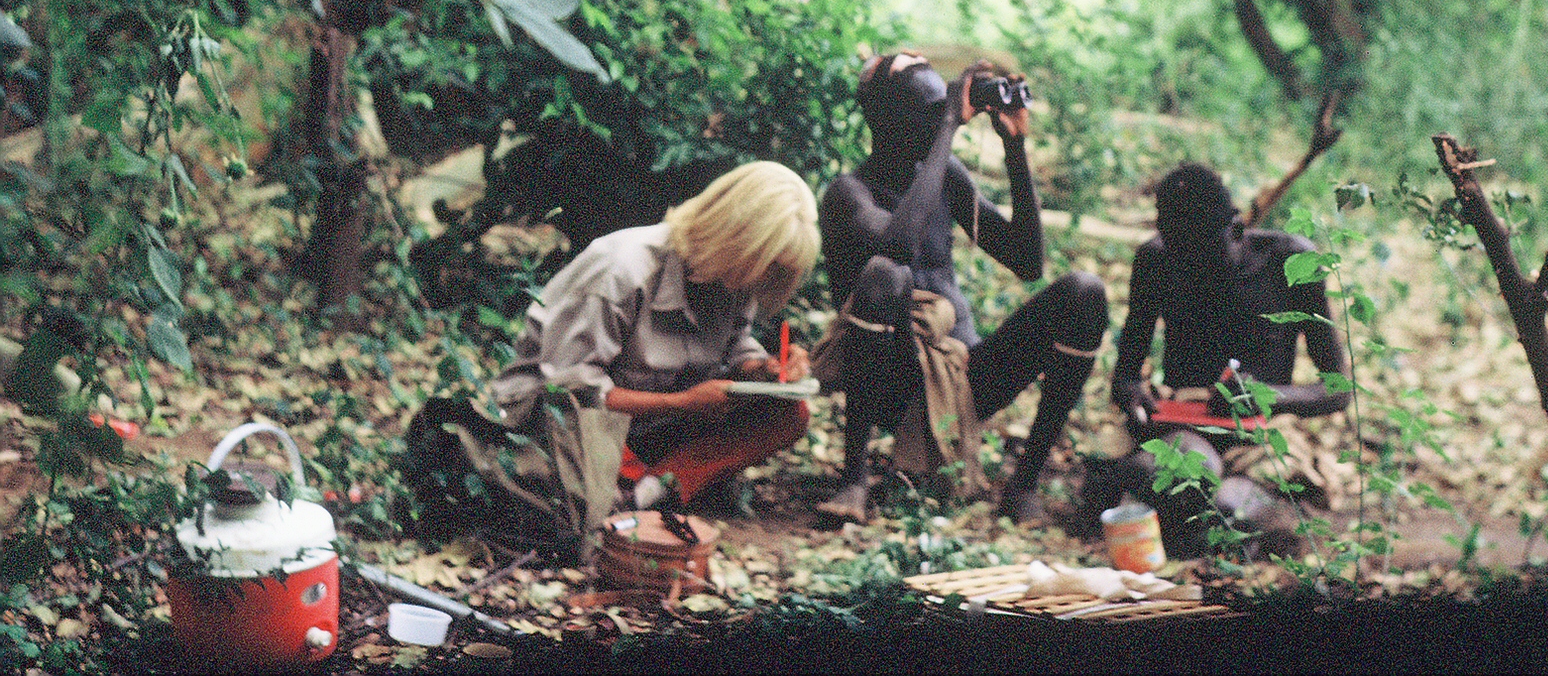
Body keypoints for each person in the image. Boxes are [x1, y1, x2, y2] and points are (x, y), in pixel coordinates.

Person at [813, 52, 1108, 524]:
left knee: (1084, 293)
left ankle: (1023, 485)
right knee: (887, 275)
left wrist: (1015, 150)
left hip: (965, 376)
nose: (938, 122)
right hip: (890, 383)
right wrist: (949, 125)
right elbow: (898, 249)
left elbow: (1027, 262)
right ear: (885, 120)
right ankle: (854, 479)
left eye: (941, 110)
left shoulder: (946, 178)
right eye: (927, 113)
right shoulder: (849, 193)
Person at [479, 160, 819, 559]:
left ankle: (653, 489)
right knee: (573, 490)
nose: (759, 281)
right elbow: (568, 391)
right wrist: (682, 403)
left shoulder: (735, 277)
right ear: (734, 236)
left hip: (651, 425)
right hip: (565, 420)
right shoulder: (623, 267)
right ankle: (638, 493)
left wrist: (761, 370)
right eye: (761, 266)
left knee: (788, 414)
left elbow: (736, 345)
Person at [1099, 162, 1351, 549]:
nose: (1195, 270)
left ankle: (1218, 517)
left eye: (1205, 255)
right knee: (1194, 476)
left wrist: (1266, 395)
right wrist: (1135, 396)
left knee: (1226, 503)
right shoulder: (1156, 260)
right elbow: (1126, 376)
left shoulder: (1293, 262)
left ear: (1236, 230)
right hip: (1185, 424)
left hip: (1263, 432)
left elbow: (1338, 389)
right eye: (1183, 257)